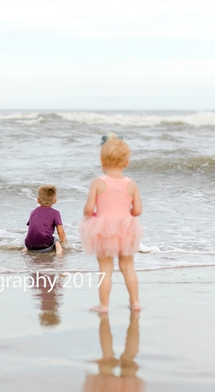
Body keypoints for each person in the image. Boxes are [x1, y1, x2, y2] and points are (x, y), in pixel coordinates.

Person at [79, 134, 143, 313]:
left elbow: (88, 209)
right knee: (128, 267)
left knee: (105, 268)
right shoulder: (131, 184)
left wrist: (92, 215)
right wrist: (125, 215)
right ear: (127, 162)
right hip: (126, 229)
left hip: (103, 231)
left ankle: (104, 306)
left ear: (102, 161)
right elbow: (137, 210)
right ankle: (135, 302)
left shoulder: (98, 183)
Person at [23, 185, 66, 254]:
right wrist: (63, 242)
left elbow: (33, 229)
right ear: (55, 201)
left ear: (38, 200)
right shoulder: (56, 213)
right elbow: (61, 232)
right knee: (56, 241)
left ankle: (26, 249)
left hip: (29, 245)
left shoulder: (33, 212)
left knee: (34, 238)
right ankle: (59, 254)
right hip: (45, 246)